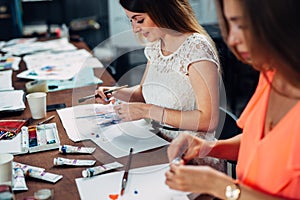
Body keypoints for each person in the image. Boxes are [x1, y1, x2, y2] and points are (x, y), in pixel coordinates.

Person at [165, 0, 300, 199]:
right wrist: (208, 147)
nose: (232, 39)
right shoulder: (272, 74)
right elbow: (260, 146)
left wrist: (219, 186)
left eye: (241, 25)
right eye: (229, 25)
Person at [96, 1, 221, 144]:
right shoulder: (156, 46)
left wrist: (146, 111)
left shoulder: (196, 48)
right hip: (157, 139)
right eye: (131, 21)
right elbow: (143, 93)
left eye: (139, 20)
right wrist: (115, 93)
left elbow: (208, 121)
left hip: (190, 148)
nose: (135, 29)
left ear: (160, 10)